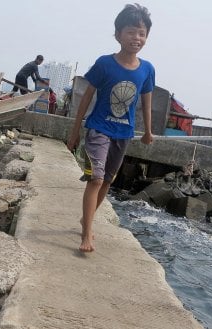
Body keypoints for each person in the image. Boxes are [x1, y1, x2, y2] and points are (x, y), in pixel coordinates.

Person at [66, 3, 155, 253]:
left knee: (107, 181)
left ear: (146, 37)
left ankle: (88, 218)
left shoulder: (147, 69)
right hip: (98, 129)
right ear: (118, 34)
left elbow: (146, 101)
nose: (136, 38)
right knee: (95, 178)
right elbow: (86, 96)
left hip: (123, 133)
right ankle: (86, 234)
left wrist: (148, 131)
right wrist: (75, 130)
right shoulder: (105, 63)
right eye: (131, 32)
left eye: (142, 33)